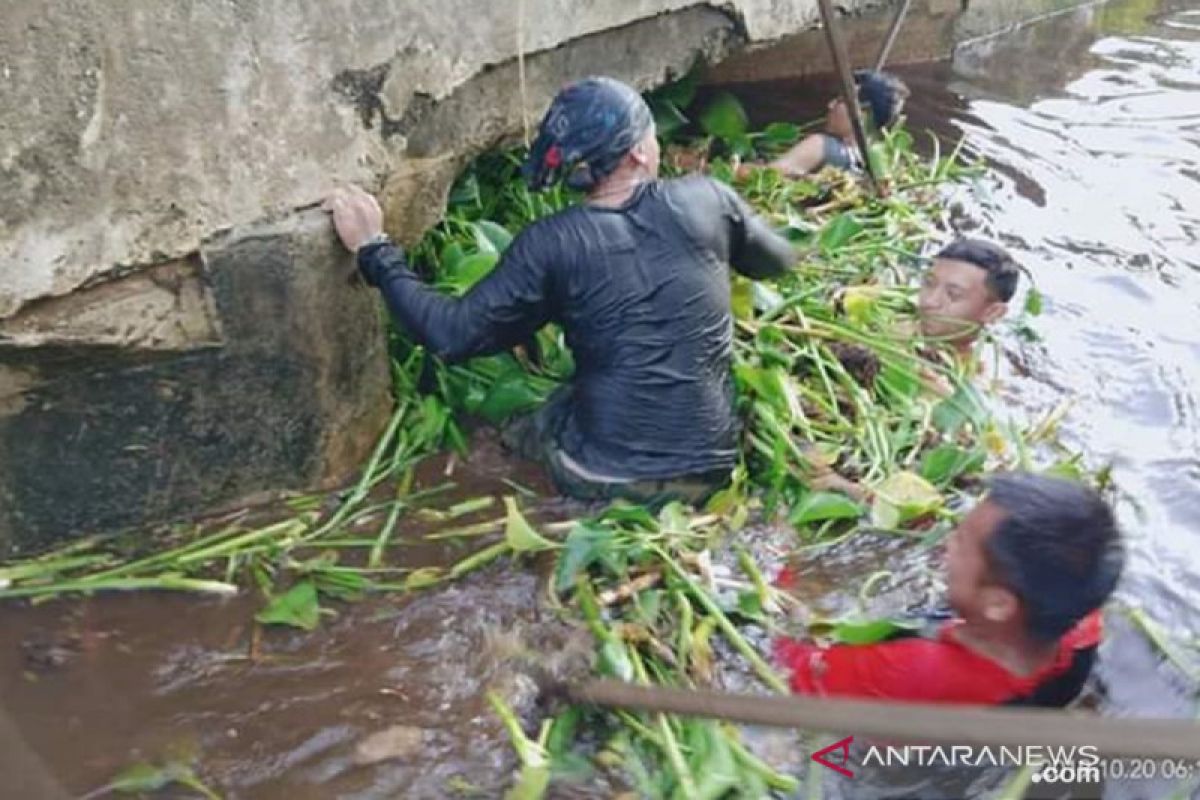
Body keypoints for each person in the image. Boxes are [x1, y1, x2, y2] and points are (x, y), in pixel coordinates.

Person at [324, 77, 796, 505]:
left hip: (602, 476)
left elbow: (451, 335)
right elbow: (776, 261)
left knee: (513, 431)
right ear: (637, 153)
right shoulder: (708, 197)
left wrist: (374, 248)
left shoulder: (551, 242)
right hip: (713, 468)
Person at [773, 472, 1124, 706]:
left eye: (963, 541)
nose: (947, 542)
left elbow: (788, 666)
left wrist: (779, 565)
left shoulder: (912, 671)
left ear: (999, 604)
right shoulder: (1080, 620)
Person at [766, 70, 910, 178]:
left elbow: (766, 176)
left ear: (862, 114)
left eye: (840, 100)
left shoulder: (820, 145)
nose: (830, 105)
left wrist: (745, 167)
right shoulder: (875, 165)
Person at [917, 237, 1021, 358]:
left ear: (993, 312)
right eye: (928, 283)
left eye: (953, 295)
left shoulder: (981, 373)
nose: (929, 301)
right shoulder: (898, 323)